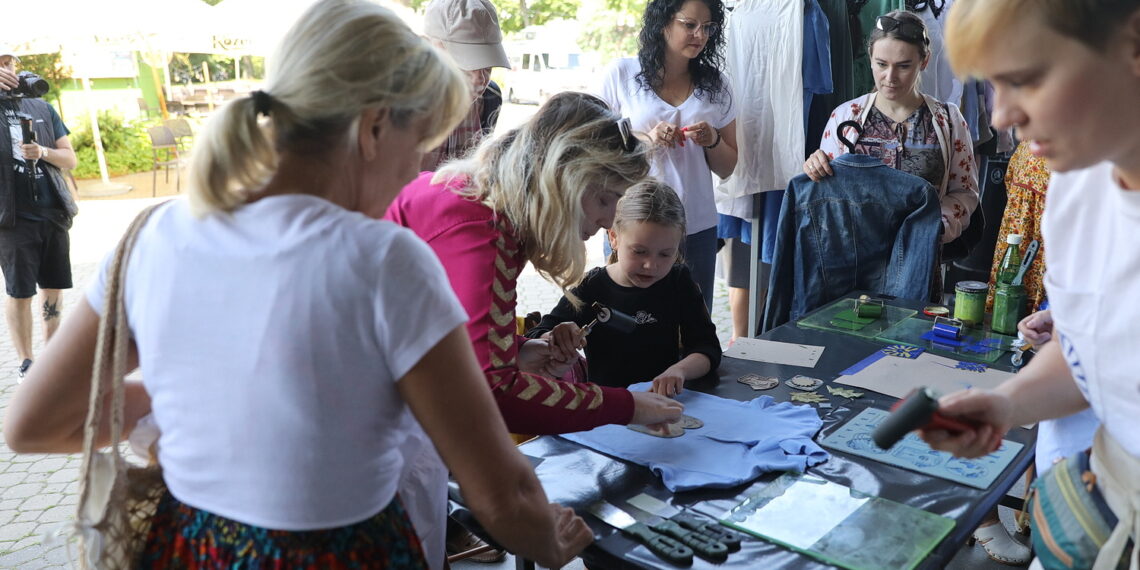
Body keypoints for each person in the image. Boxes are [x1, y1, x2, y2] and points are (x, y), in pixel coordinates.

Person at [3, 1, 592, 567]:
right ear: (375, 125)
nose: (416, 172)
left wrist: (189, 399)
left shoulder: (152, 236)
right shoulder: (386, 260)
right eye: (418, 147)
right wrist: (552, 541)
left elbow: (34, 425)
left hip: (190, 548)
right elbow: (501, 495)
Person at [917, 1, 1140, 568]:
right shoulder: (1075, 186)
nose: (999, 116)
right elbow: (1087, 351)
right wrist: (1006, 403)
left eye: (1024, 78)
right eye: (993, 84)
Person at [387, 92, 685, 436]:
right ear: (564, 179)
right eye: (605, 199)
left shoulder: (484, 207)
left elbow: (454, 335)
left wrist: (519, 350)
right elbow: (492, 394)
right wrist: (627, 406)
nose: (607, 221)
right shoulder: (482, 233)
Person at [596, 0, 738, 311]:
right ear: (663, 23)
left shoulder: (716, 85)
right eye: (690, 25)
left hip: (695, 226)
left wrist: (712, 140)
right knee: (623, 319)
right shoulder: (621, 73)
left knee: (692, 325)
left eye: (708, 27)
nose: (700, 35)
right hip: (632, 223)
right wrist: (646, 139)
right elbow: (595, 147)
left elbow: (728, 167)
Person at [526, 180, 722, 395]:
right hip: (607, 409)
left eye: (665, 254)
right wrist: (557, 338)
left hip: (663, 402)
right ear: (614, 238)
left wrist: (679, 371)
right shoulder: (592, 286)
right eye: (639, 251)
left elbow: (707, 347)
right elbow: (535, 336)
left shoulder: (678, 280)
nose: (651, 265)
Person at [803, 9, 978, 247]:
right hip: (852, 259)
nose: (890, 76)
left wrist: (937, 226)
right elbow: (826, 195)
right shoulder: (844, 117)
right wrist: (815, 168)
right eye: (881, 64)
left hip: (919, 258)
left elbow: (964, 193)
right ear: (870, 57)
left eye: (904, 66)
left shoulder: (948, 121)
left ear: (924, 61)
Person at [0, 49, 79, 381]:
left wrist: (44, 152)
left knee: (54, 287)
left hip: (52, 213)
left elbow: (69, 159)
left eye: (9, 62)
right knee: (20, 291)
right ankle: (26, 363)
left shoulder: (42, 108)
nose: (7, 69)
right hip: (11, 218)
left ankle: (52, 356)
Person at [420, 0, 508, 171]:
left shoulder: (490, 98)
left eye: (487, 66)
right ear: (430, 47)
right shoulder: (401, 101)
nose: (480, 79)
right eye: (467, 64)